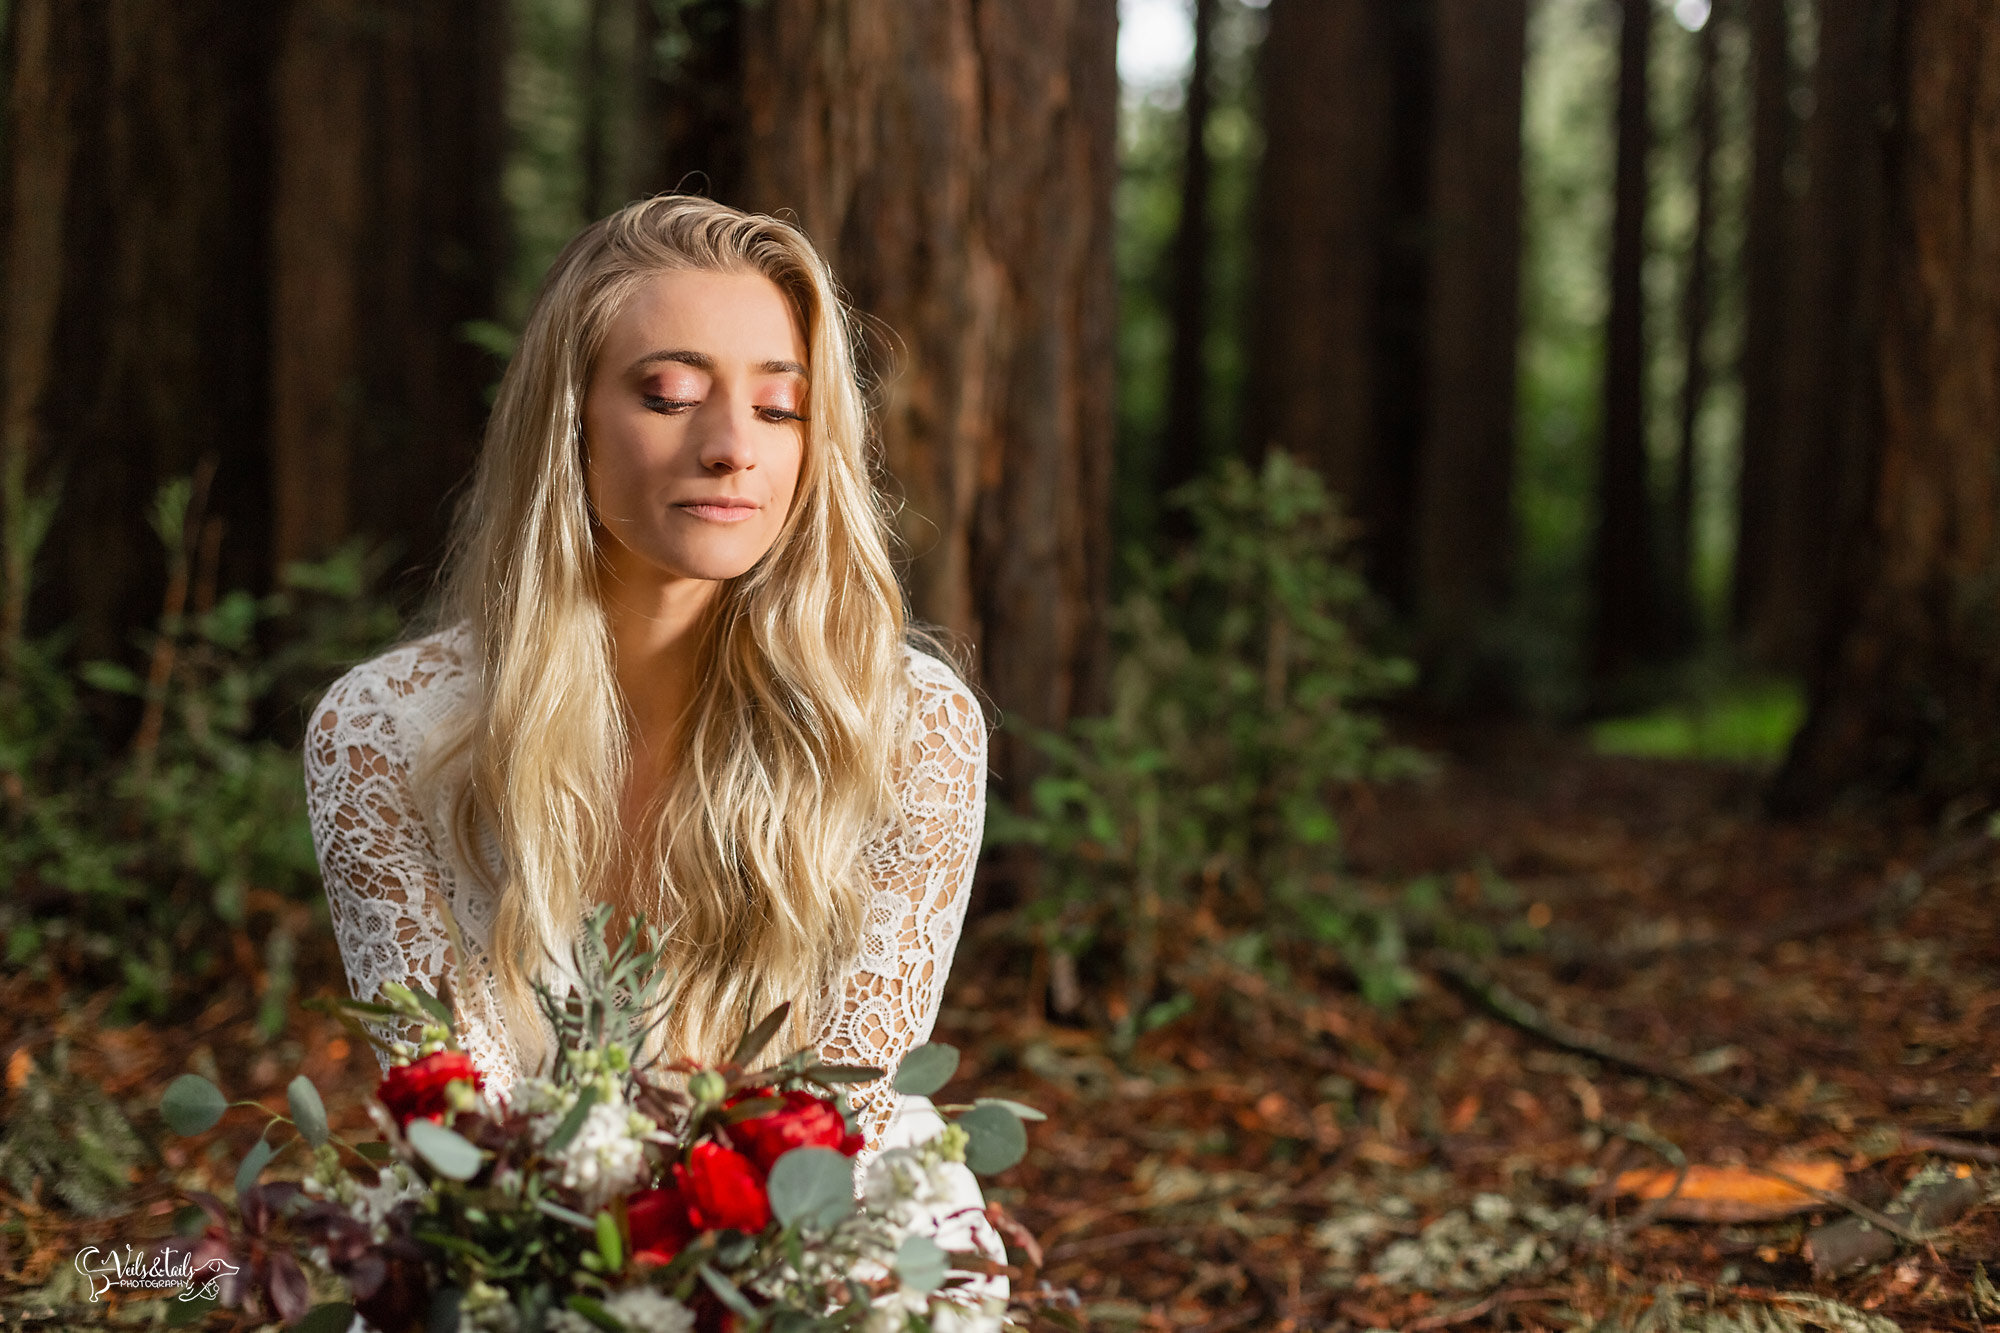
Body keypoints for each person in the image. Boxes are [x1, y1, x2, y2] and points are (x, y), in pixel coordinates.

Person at [303, 196, 997, 1264]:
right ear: (567, 419)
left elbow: (837, 1121)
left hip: (816, 1236)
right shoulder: (384, 733)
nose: (730, 448)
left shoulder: (906, 728)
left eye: (780, 407)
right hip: (512, 1246)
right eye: (668, 395)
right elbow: (449, 1122)